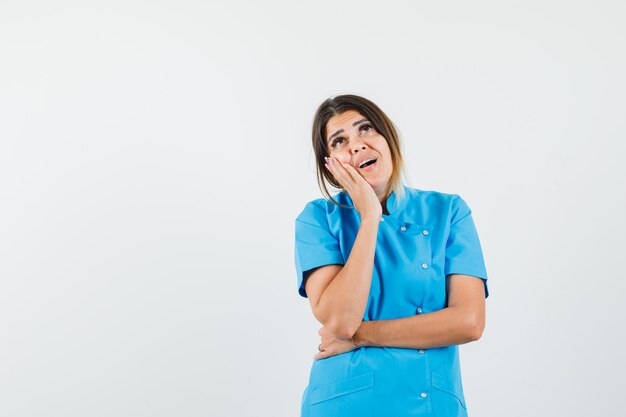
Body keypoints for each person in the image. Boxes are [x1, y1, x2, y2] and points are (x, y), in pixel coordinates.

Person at [293, 94, 489, 417]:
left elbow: (469, 322)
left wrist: (361, 337)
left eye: (366, 129)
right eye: (340, 141)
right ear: (330, 168)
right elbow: (341, 319)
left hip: (431, 404)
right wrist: (369, 216)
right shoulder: (317, 220)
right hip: (344, 403)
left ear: (389, 137)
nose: (356, 145)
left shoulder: (449, 212)